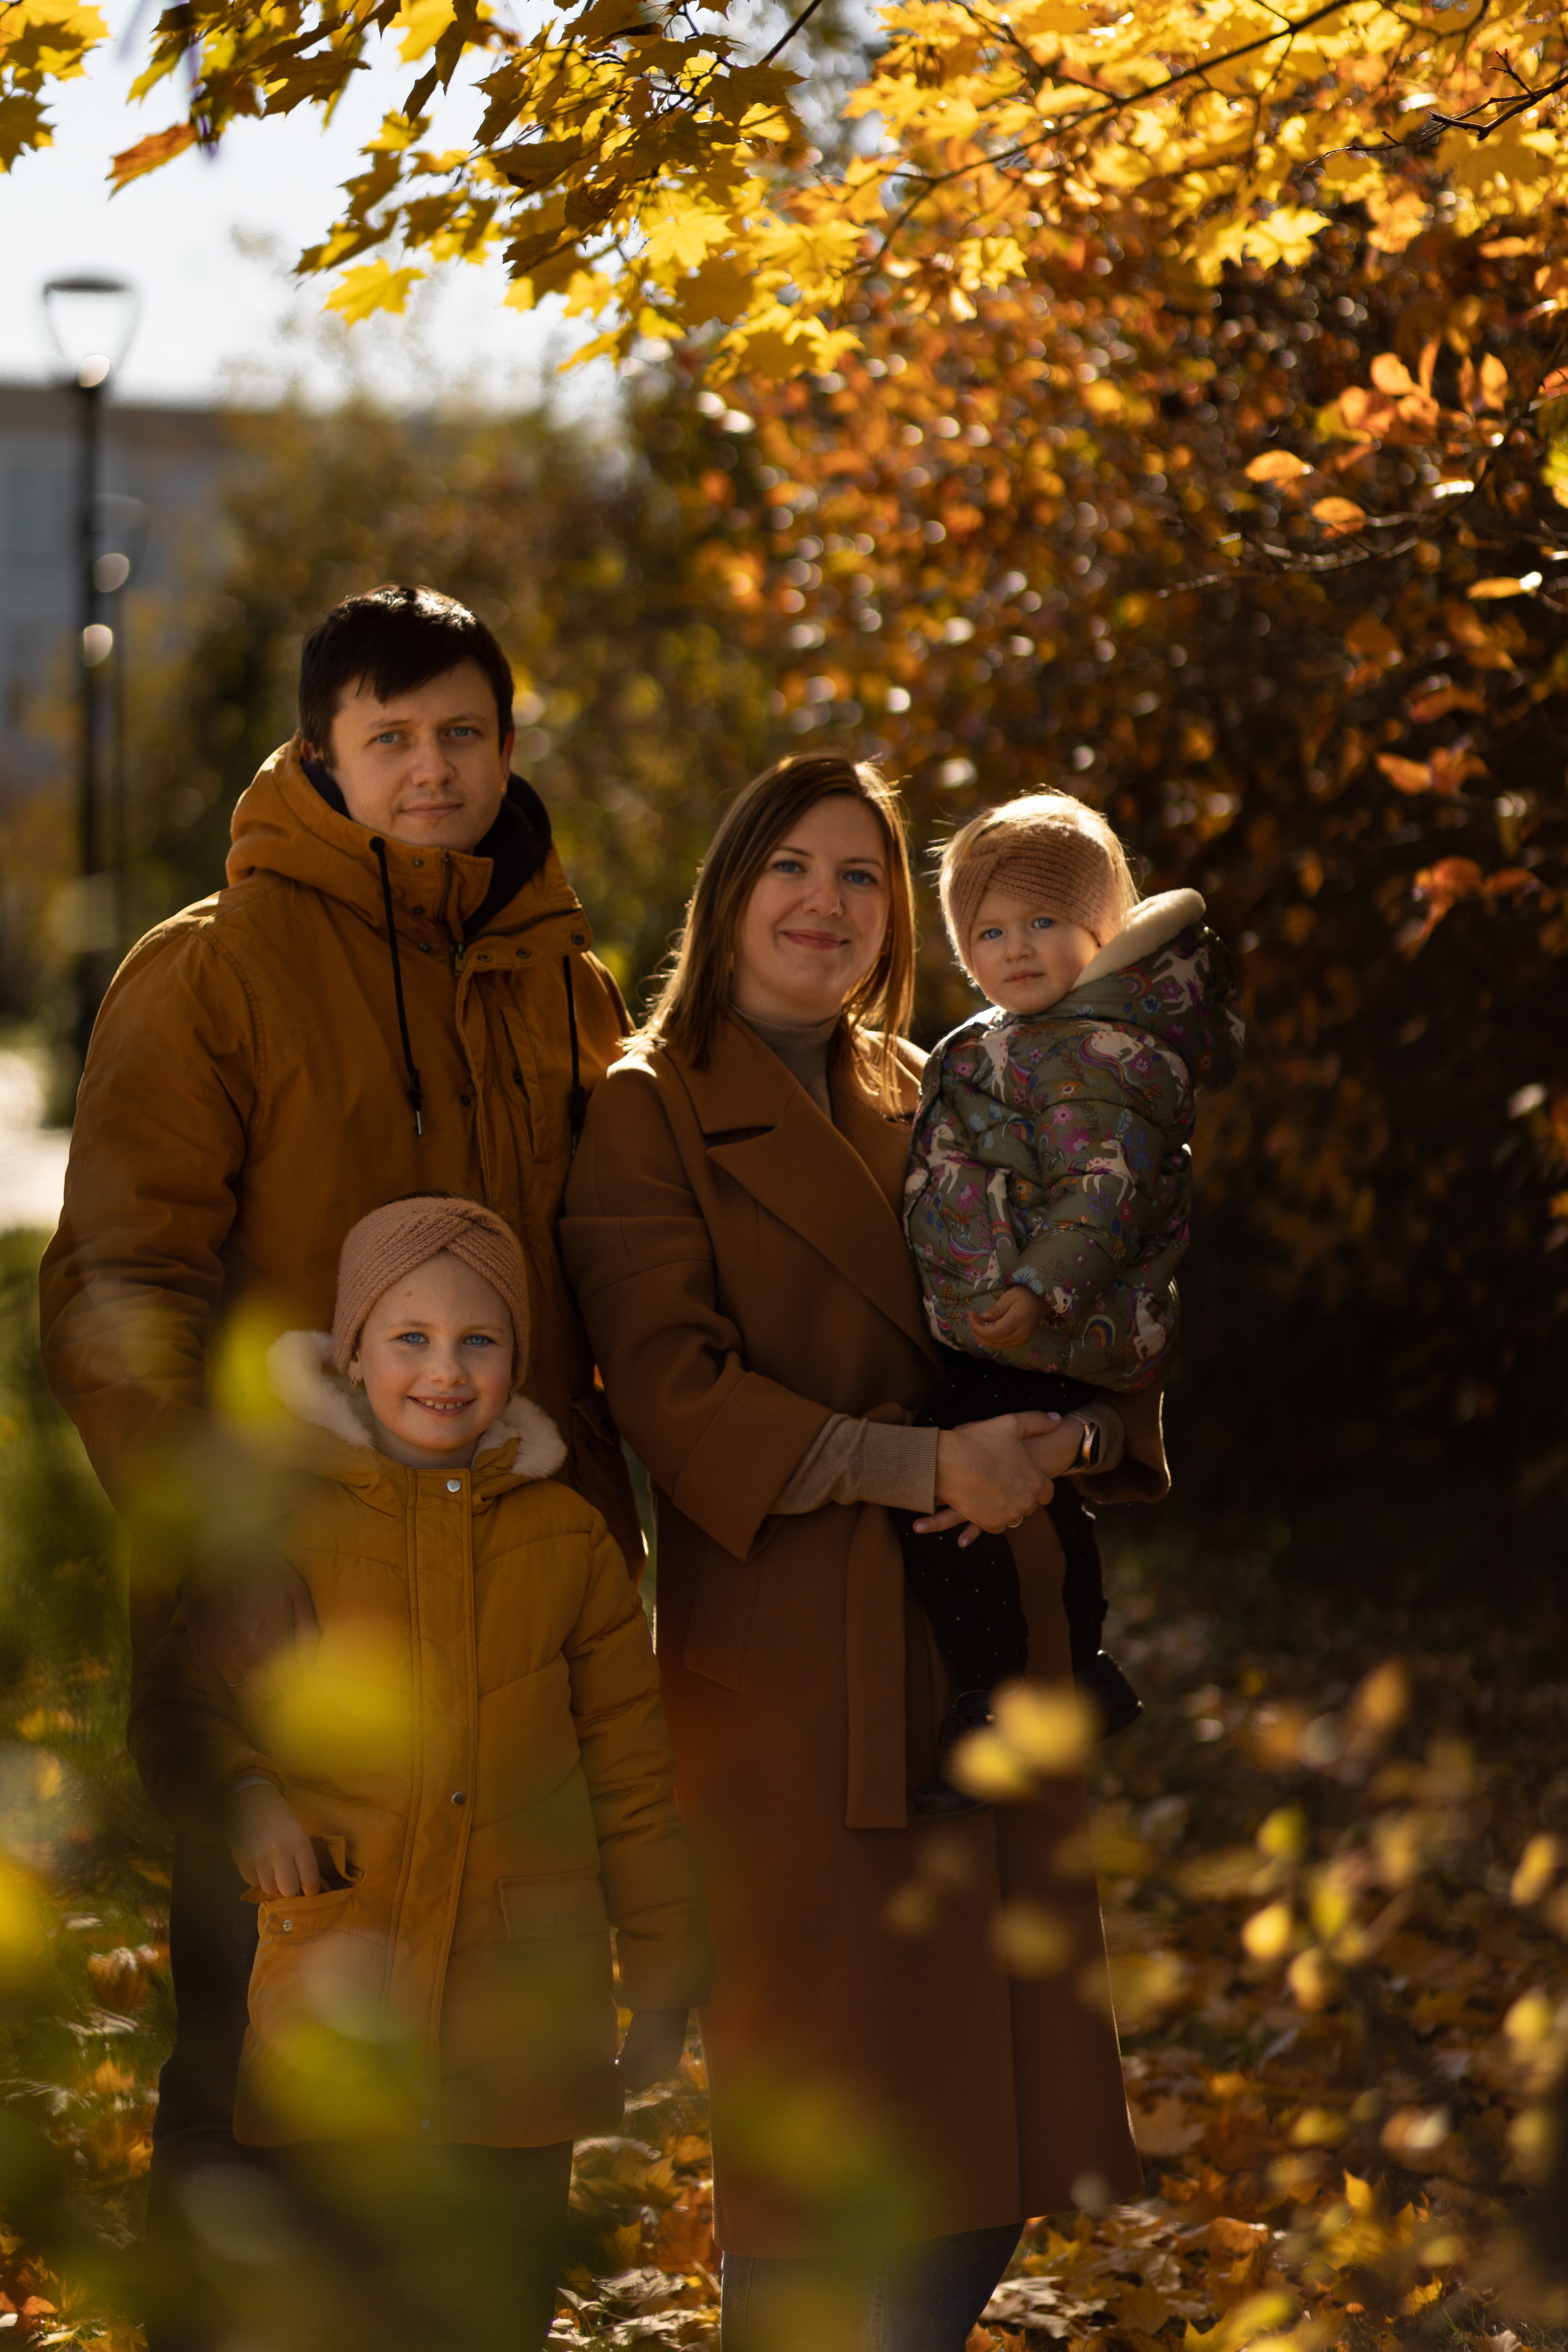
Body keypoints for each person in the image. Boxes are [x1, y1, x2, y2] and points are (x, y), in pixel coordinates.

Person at [37, 584, 641, 2339]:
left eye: (463, 732)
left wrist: (602, 1546)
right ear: (323, 755)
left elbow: (606, 1284)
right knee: (264, 2088)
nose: (431, 767)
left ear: (509, 745)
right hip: (288, 1622)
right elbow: (117, 1286)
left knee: (498, 2094)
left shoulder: (565, 985)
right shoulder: (213, 964)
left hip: (513, 1615)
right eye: (390, 738)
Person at [560, 753, 1163, 2352]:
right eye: (794, 868)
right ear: (729, 890)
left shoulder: (948, 1079)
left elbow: (1103, 1285)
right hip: (798, 1677)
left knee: (1000, 2128)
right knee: (823, 2155)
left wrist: (1078, 1437)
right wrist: (927, 1461)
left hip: (994, 1649)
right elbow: (678, 1402)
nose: (827, 904)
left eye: (863, 875)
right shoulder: (644, 1108)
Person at [129, 1196, 710, 2352]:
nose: (445, 1370)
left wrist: (661, 1968)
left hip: (519, 2011)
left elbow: (633, 1776)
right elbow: (183, 1707)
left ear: (520, 1359)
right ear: (352, 1349)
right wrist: (249, 1796)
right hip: (335, 1991)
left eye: (479, 1341)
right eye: (410, 1338)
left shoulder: (570, 1544)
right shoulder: (281, 1520)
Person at [900, 790, 1244, 1804]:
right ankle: (1079, 1670)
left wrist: (1036, 1290)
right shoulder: (1028, 1037)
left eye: (1043, 923)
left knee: (959, 1511)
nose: (1015, 949)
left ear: (1104, 929)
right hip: (1026, 1321)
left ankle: (999, 1700)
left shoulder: (1096, 1051)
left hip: (1043, 1323)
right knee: (1026, 1505)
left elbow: (1106, 1189)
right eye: (990, 931)